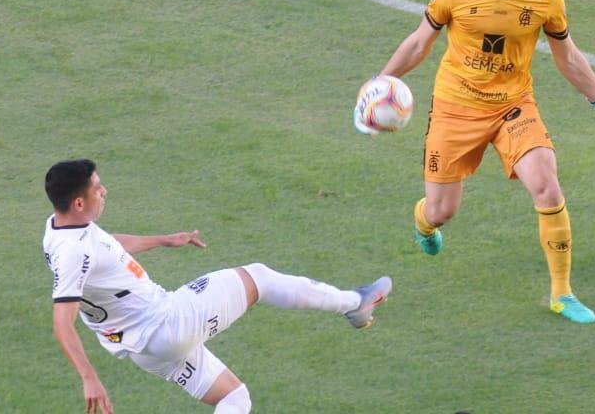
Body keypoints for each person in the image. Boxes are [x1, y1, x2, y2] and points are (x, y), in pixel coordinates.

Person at [353, 0, 595, 324]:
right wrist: (379, 83)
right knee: (442, 211)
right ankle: (424, 222)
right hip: (455, 108)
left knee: (547, 186)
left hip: (513, 107)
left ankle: (562, 294)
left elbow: (568, 56)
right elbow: (420, 42)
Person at [42, 159, 392, 414]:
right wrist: (89, 378)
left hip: (145, 350)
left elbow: (106, 246)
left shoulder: (59, 228)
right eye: (97, 188)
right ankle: (353, 303)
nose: (104, 191)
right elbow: (62, 323)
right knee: (259, 277)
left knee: (234, 399)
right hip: (168, 322)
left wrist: (164, 240)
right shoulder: (74, 254)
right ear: (78, 203)